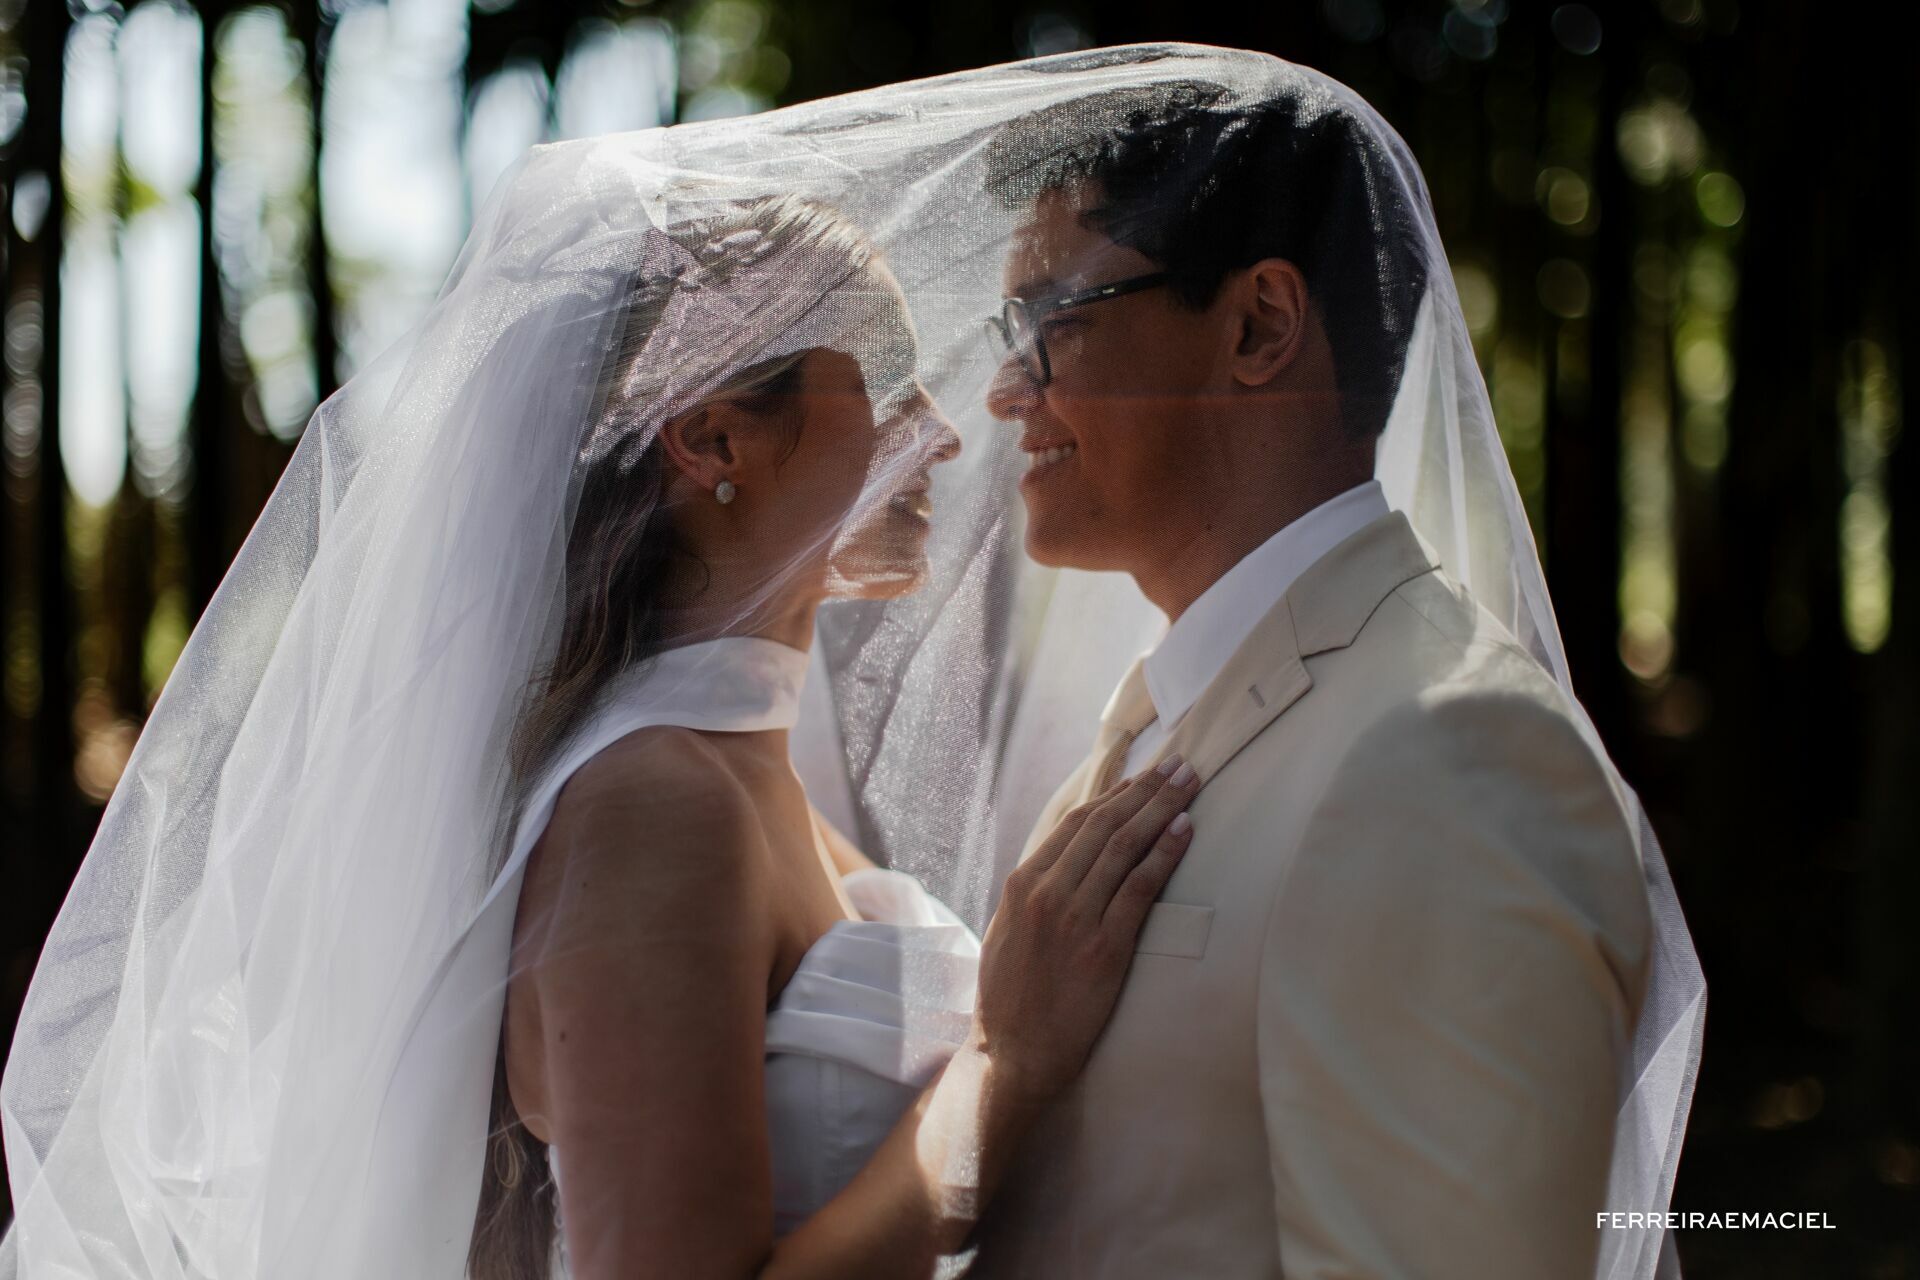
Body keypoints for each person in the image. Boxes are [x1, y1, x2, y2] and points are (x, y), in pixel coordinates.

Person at [966, 78, 1695, 1280]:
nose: (1007, 388)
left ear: (1257, 325)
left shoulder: (1452, 755)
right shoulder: (1170, 708)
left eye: (1060, 317)